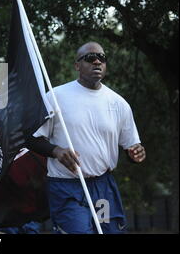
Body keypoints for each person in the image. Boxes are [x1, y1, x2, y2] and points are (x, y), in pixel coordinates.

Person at [32, 42, 146, 234]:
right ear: (77, 65)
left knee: (109, 231)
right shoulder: (55, 96)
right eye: (89, 58)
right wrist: (56, 151)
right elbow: (32, 138)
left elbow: (131, 146)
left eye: (101, 58)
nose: (96, 61)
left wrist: (136, 153)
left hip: (102, 187)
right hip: (67, 187)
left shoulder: (118, 104)